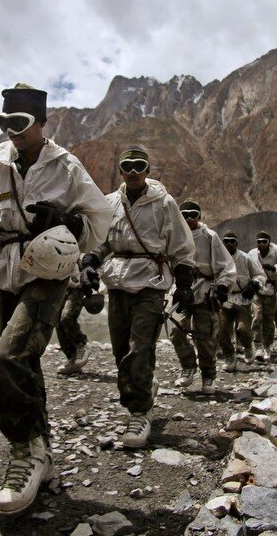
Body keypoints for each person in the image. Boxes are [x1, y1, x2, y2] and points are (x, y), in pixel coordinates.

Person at [0, 83, 112, 515]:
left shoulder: (66, 166)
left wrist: (69, 222)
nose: (12, 133)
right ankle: (43, 450)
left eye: (20, 124)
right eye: (4, 124)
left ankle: (24, 451)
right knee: (26, 361)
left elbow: (98, 219)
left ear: (41, 123)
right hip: (7, 269)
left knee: (9, 358)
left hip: (50, 270)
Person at [81, 145, 195, 448]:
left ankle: (139, 411)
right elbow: (101, 241)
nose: (132, 171)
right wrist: (90, 261)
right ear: (120, 171)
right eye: (126, 166)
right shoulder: (109, 203)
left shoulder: (164, 203)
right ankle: (144, 385)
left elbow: (180, 245)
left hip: (151, 283)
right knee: (121, 351)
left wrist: (184, 283)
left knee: (139, 347)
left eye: (139, 165)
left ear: (148, 170)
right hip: (117, 283)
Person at [169, 200, 237, 394]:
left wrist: (223, 287)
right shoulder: (174, 235)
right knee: (177, 330)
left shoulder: (210, 236)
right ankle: (188, 366)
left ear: (200, 216)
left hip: (204, 291)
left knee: (205, 336)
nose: (189, 218)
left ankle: (208, 376)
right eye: (185, 214)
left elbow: (226, 265)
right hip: (181, 289)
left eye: (193, 214)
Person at [217, 230, 263, 371]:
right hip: (226, 299)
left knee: (242, 329)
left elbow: (259, 274)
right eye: (226, 241)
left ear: (237, 243)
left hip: (243, 299)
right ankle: (230, 356)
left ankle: (248, 346)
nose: (229, 243)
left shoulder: (245, 258)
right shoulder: (218, 258)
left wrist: (254, 284)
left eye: (232, 241)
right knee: (223, 330)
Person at [247, 231, 277, 360]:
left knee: (268, 319)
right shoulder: (252, 254)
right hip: (258, 290)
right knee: (256, 316)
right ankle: (258, 346)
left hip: (271, 291)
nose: (261, 244)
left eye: (264, 242)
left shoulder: (276, 252)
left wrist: (274, 268)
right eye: (258, 242)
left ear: (269, 242)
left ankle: (268, 345)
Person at [55, 264, 89, 375]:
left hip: (78, 285)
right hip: (60, 282)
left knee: (66, 317)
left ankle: (81, 344)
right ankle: (72, 360)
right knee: (57, 322)